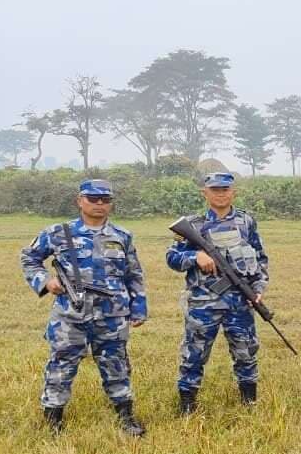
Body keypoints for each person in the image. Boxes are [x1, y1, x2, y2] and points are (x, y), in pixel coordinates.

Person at [19, 179, 147, 436]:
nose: (99, 204)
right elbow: (29, 258)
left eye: (105, 200)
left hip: (112, 314)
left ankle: (126, 416)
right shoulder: (58, 232)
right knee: (61, 365)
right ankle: (53, 420)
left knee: (116, 364)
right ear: (80, 201)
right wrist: (46, 281)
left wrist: (139, 307)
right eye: (93, 198)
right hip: (70, 315)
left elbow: (133, 274)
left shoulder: (121, 236)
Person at [167, 171, 270, 414]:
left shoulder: (247, 222)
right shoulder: (192, 225)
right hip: (203, 303)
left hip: (240, 302)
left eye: (225, 189)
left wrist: (258, 289)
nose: (221, 194)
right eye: (215, 189)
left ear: (233, 192)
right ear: (205, 193)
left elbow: (260, 257)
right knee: (194, 354)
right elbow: (171, 257)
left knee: (245, 352)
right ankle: (187, 406)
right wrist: (195, 256)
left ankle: (249, 403)